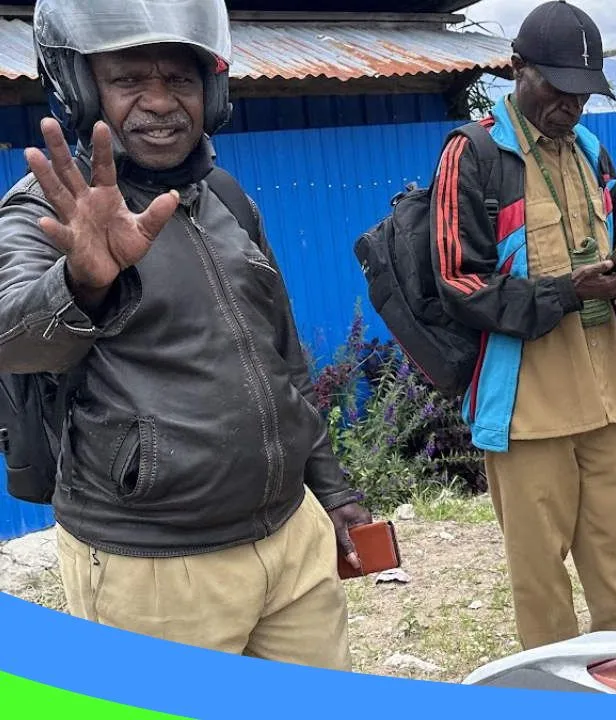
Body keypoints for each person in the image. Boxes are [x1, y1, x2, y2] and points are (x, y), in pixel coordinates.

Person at [0, 0, 370, 669]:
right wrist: (83, 283)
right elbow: (12, 337)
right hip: (153, 567)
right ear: (83, 90)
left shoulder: (226, 198)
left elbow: (282, 359)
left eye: (181, 79)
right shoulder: (47, 209)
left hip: (289, 538)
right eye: (130, 80)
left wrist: (333, 491)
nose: (161, 102)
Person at [425, 0, 616, 650]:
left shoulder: (592, 153)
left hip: (608, 404)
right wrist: (563, 294)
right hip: (527, 415)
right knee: (543, 591)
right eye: (558, 86)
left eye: (584, 92)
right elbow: (459, 283)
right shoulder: (473, 156)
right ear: (516, 68)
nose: (572, 105)